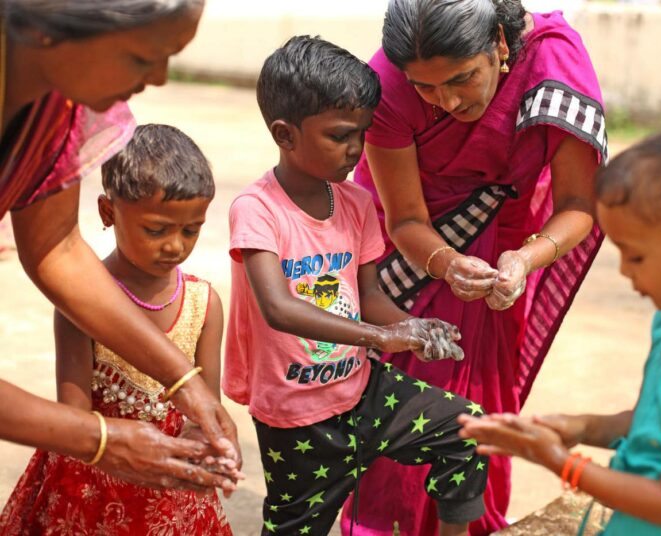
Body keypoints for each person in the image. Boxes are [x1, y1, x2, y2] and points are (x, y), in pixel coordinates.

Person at [341, 0, 606, 533]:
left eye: (463, 78)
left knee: (479, 404)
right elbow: (406, 218)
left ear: (501, 48)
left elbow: (579, 205)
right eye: (427, 88)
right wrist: (447, 263)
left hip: (505, 252)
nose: (448, 101)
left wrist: (524, 260)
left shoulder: (553, 61)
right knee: (399, 409)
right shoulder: (386, 85)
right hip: (407, 263)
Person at [222, 35, 489, 536]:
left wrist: (411, 326)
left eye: (361, 134)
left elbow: (367, 297)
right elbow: (278, 308)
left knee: (468, 430)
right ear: (285, 134)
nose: (355, 149)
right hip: (298, 418)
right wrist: (378, 338)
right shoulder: (256, 211)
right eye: (340, 135)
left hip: (364, 391)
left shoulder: (356, 203)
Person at [460, 115, 661, 535]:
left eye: (636, 257)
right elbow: (653, 423)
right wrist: (580, 427)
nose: (626, 274)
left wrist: (559, 462)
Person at [0, 0, 240, 491]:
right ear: (46, 29)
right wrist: (100, 439)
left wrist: (185, 382)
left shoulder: (57, 107)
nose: (159, 78)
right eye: (140, 57)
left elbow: (56, 248)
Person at [0, 124, 236, 534]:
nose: (175, 246)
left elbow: (206, 407)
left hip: (170, 493)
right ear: (109, 212)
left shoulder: (203, 303)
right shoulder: (79, 307)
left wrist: (211, 446)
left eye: (190, 230)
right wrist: (110, 445)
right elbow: (74, 414)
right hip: (90, 487)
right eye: (156, 229)